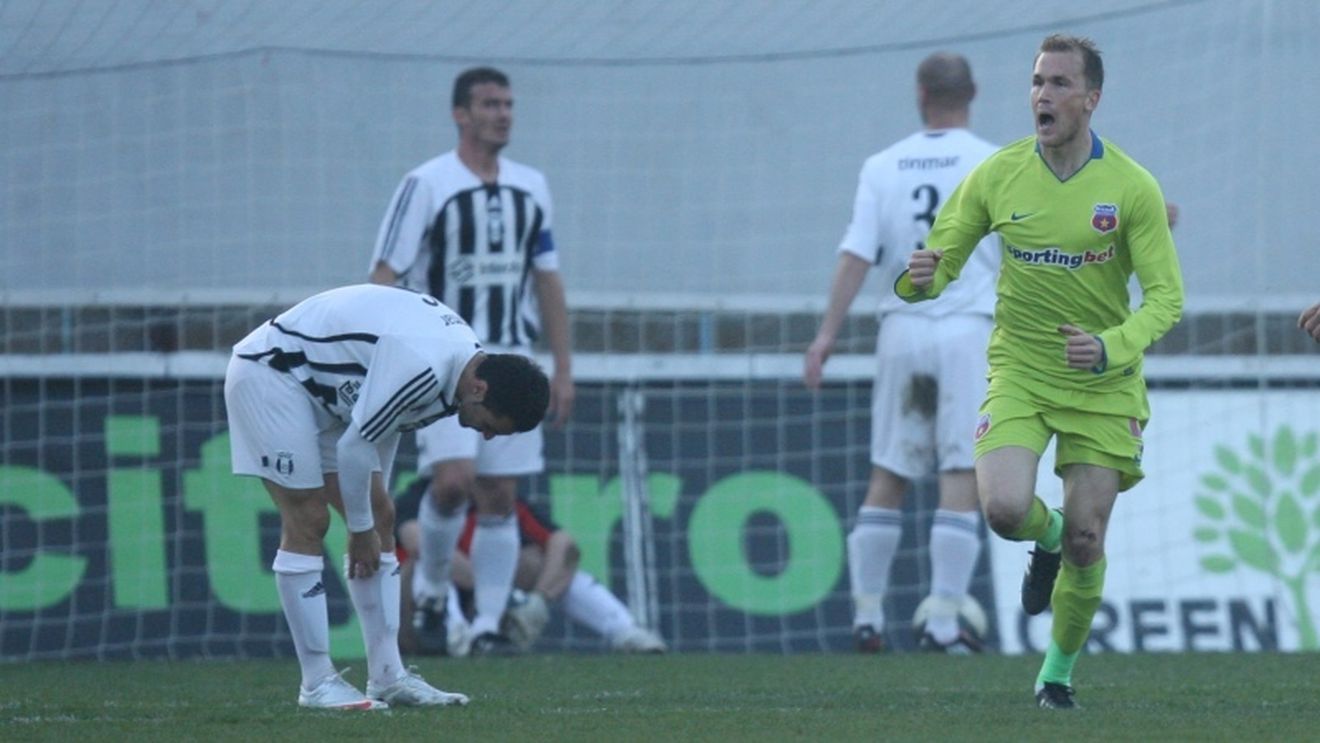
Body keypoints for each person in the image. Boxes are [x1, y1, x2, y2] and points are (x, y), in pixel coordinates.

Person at [898, 35, 1184, 709]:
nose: (1042, 96)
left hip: (1104, 383)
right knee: (1002, 509)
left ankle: (1055, 676)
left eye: (1059, 83)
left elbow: (1166, 298)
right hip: (1022, 371)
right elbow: (939, 263)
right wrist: (918, 278)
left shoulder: (1132, 187)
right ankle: (1044, 535)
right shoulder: (998, 174)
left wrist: (1111, 346)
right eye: (1036, 82)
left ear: (1091, 99)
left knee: (1089, 538)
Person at [224, 283, 550, 709]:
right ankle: (317, 682)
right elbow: (354, 447)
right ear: (480, 390)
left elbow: (384, 428)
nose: (486, 436)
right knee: (309, 518)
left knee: (383, 517)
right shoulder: (426, 365)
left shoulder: (462, 370)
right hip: (272, 374)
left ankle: (387, 677)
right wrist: (359, 531)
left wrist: (372, 518)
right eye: (491, 425)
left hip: (323, 394)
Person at [367, 66, 575, 656]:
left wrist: (563, 367)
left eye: (508, 104)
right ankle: (433, 588)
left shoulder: (532, 186)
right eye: (489, 104)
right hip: (446, 359)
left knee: (500, 494)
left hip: (514, 357)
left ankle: (486, 623)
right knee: (453, 483)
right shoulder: (426, 184)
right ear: (460, 113)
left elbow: (548, 278)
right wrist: (378, 349)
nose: (502, 114)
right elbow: (384, 272)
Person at [804, 52, 1000, 654]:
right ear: (973, 93)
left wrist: (826, 335)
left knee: (890, 470)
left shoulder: (882, 165)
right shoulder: (996, 162)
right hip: (967, 329)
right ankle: (942, 623)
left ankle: (867, 617)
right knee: (961, 470)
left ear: (921, 95)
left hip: (903, 328)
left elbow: (856, 254)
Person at [392, 478, 667, 656]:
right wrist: (494, 589)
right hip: (414, 618)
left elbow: (565, 546)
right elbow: (420, 544)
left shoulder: (500, 500)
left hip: (485, 608)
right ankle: (457, 638)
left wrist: (538, 600)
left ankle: (627, 631)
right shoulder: (416, 500)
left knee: (537, 562)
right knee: (423, 566)